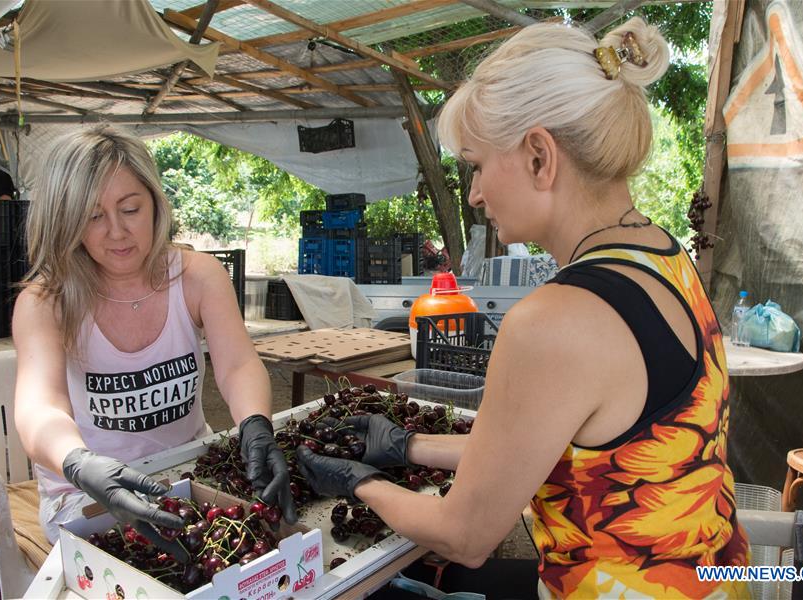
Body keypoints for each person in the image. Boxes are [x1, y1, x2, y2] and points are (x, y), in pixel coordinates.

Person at [295, 17, 751, 599]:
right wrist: (407, 446)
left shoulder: (554, 320)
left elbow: (465, 536)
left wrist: (356, 483)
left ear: (540, 156)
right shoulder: (665, 257)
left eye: (479, 165)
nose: (476, 193)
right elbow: (563, 449)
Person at [12, 126, 296, 555]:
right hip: (88, 491)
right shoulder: (44, 302)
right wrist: (79, 462)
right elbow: (40, 407)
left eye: (130, 209)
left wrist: (255, 426)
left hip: (189, 473)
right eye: (92, 217)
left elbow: (237, 365)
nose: (116, 232)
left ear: (154, 203)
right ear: (65, 220)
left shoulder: (199, 277)